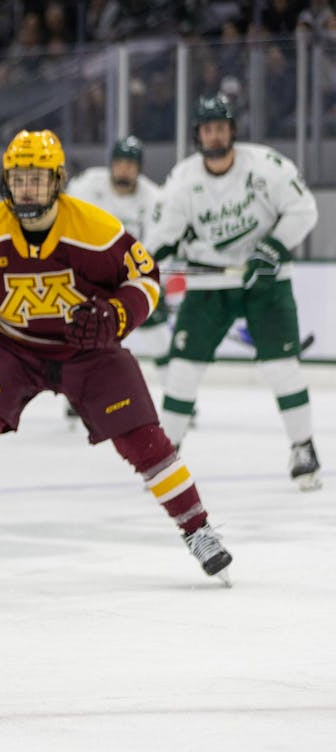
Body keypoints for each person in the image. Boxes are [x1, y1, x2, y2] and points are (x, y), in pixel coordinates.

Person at [0, 129, 232, 587]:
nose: (27, 188)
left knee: (146, 440)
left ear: (58, 181)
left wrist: (115, 315)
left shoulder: (96, 229)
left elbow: (146, 279)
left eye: (37, 178)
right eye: (18, 178)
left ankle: (199, 529)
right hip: (13, 348)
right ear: (6, 182)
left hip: (90, 352)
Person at [146, 94, 321, 490]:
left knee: (281, 367)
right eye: (208, 129)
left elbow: (304, 209)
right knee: (184, 369)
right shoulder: (183, 180)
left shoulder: (265, 166)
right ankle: (165, 455)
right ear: (198, 135)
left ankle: (303, 446)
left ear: (232, 131)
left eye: (221, 127)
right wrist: (156, 255)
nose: (215, 135)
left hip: (265, 282)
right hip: (208, 286)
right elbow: (161, 237)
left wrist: (272, 249)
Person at [65, 135, 172, 423]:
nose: (124, 169)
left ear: (139, 168)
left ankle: (176, 396)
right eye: (119, 163)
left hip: (132, 279)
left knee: (159, 336)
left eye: (130, 164)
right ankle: (78, 396)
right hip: (90, 278)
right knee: (84, 335)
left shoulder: (153, 198)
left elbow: (158, 243)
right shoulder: (87, 186)